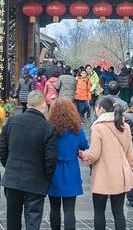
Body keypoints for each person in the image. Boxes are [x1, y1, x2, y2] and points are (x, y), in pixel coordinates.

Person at [0, 91, 57, 230]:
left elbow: (1, 147)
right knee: (33, 221)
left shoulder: (12, 121)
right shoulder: (48, 128)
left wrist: (9, 165)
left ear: (29, 104)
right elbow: (50, 159)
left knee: (13, 219)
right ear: (43, 106)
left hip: (13, 178)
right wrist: (46, 177)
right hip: (36, 180)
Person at [81, 96, 133, 230]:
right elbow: (130, 155)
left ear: (101, 109)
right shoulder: (125, 126)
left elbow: (94, 154)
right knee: (119, 213)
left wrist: (82, 154)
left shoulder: (98, 127)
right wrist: (130, 171)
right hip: (120, 175)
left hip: (102, 175)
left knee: (99, 212)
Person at [47, 98, 89, 230]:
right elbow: (85, 146)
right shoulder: (77, 129)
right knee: (69, 210)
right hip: (71, 170)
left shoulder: (49, 129)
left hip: (53, 170)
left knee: (54, 208)